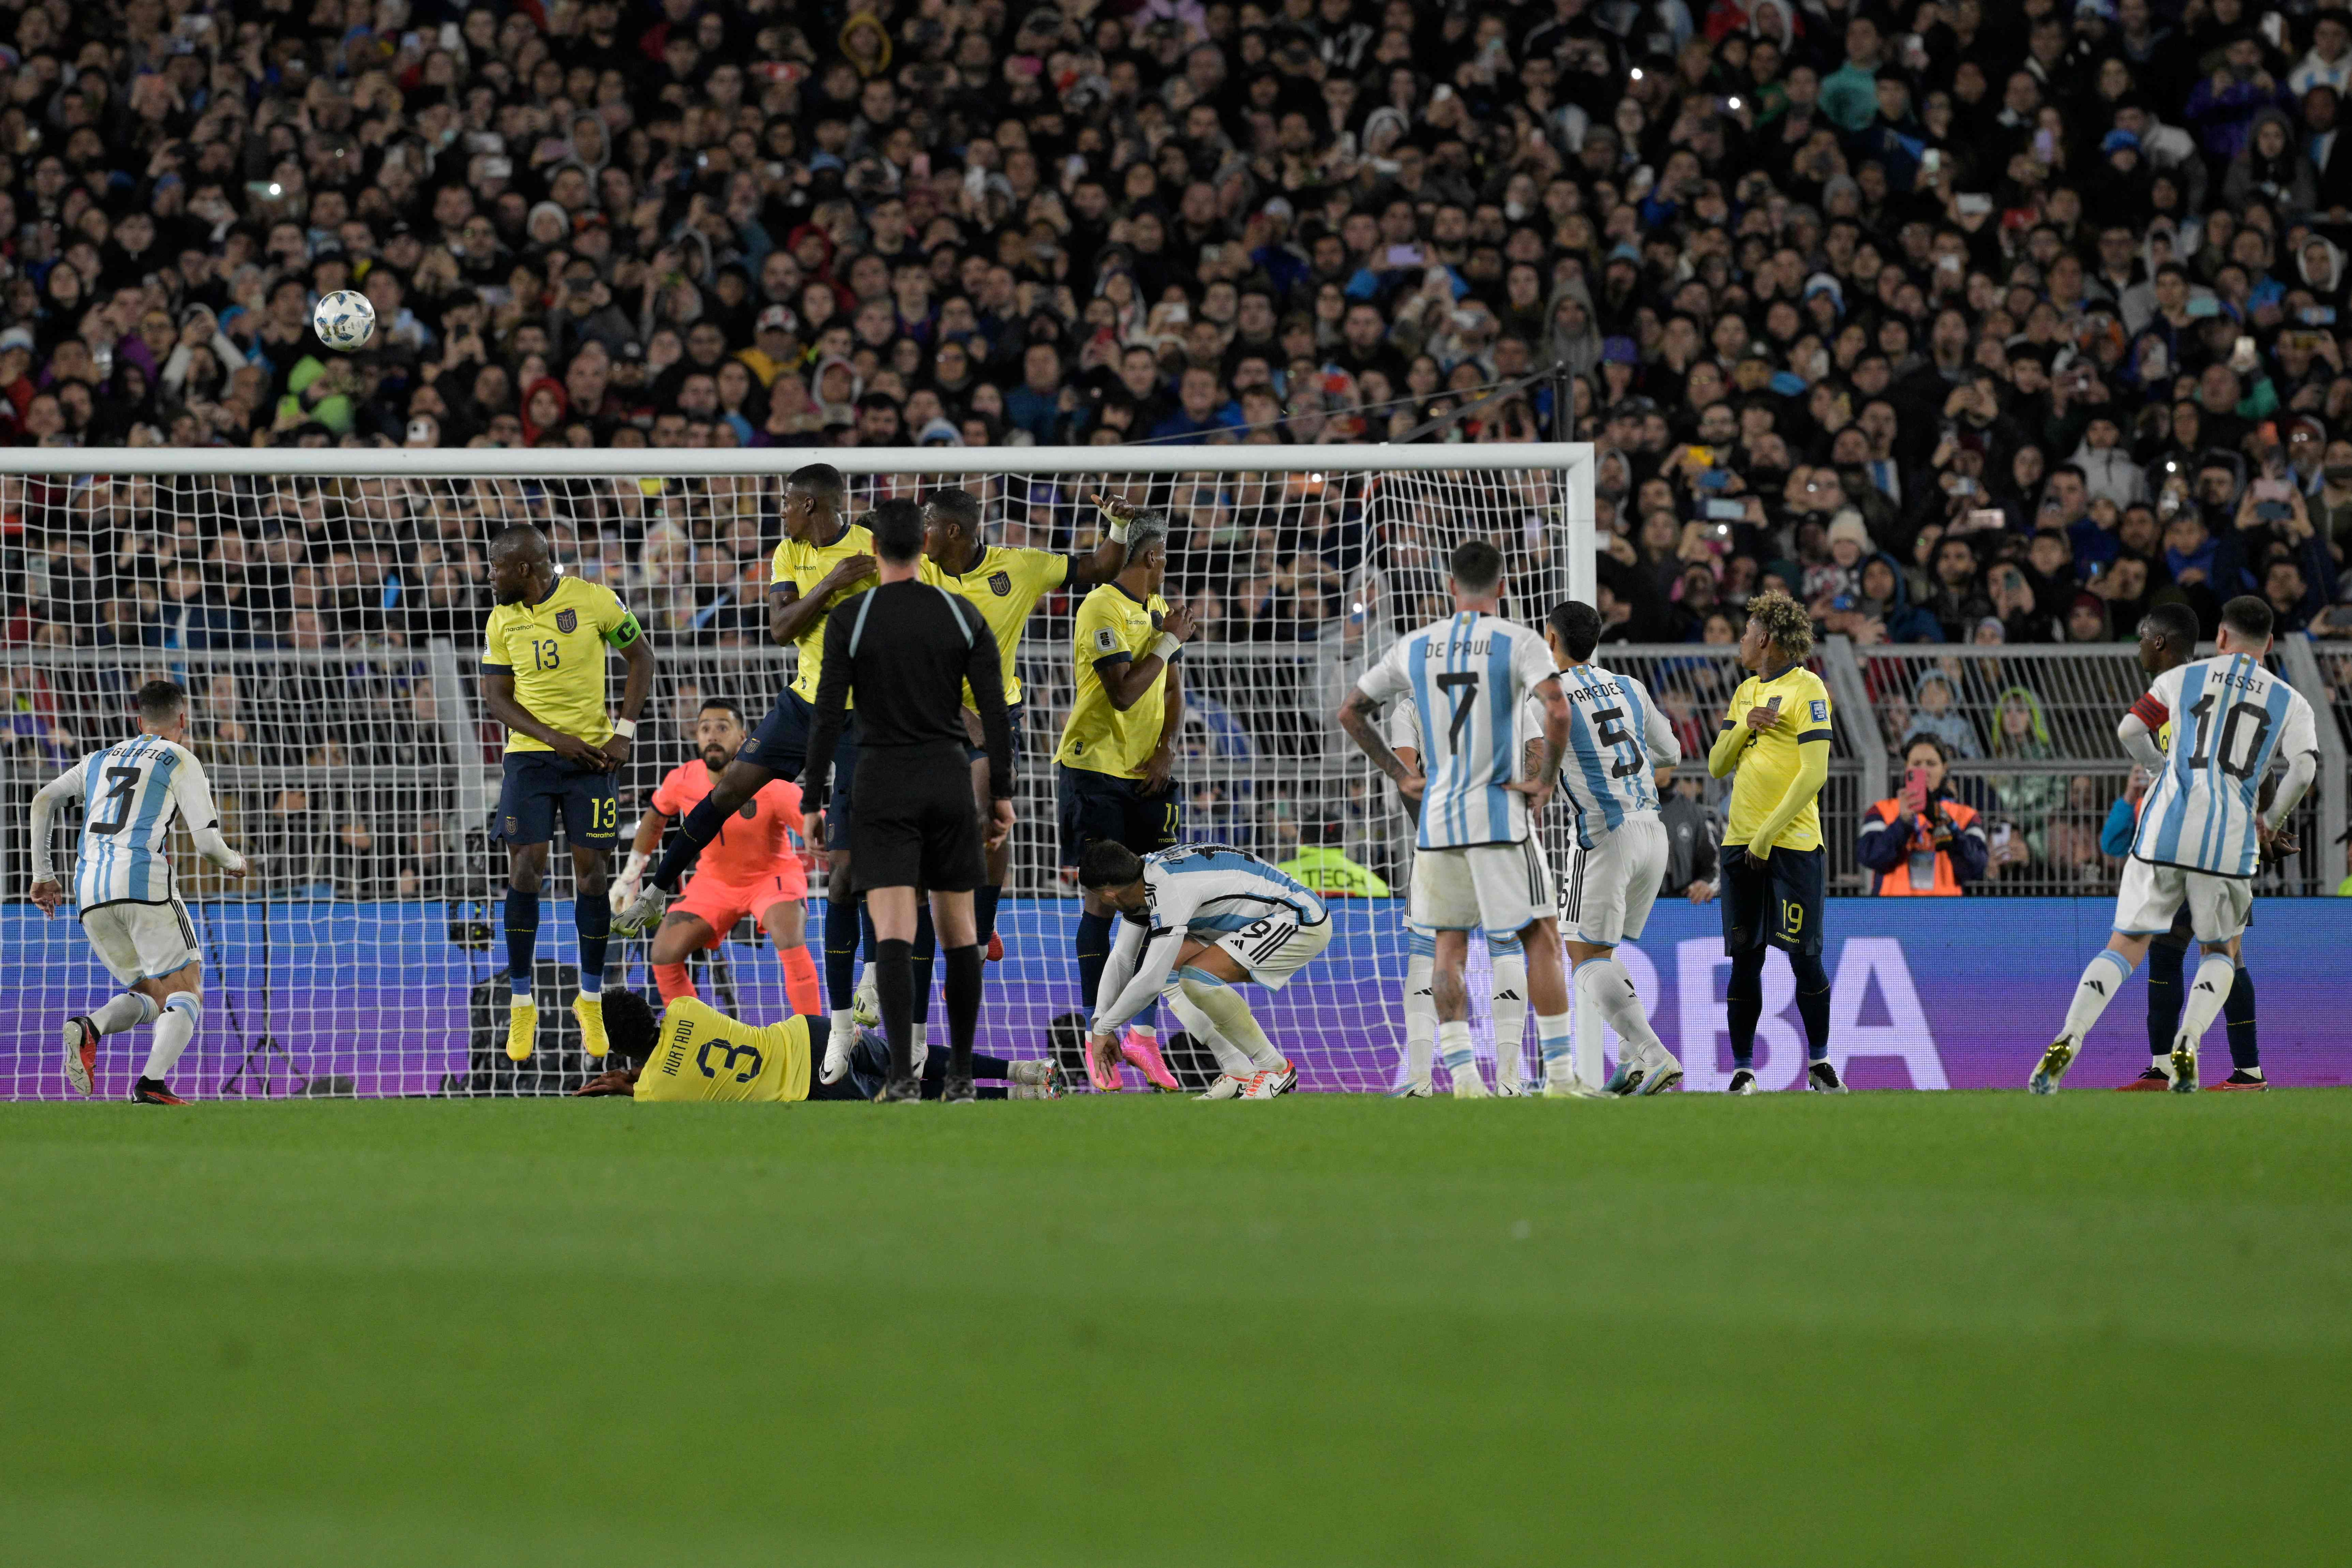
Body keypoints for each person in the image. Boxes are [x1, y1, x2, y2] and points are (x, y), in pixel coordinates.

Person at [617, 464, 876, 1075]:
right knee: (730, 787)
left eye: (787, 503)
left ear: (812, 503)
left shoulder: (870, 545)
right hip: (802, 701)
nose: (779, 512)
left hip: (858, 716)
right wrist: (834, 583)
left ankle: (838, 1017)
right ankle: (657, 890)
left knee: (846, 863)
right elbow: (782, 627)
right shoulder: (789, 550)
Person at [2033, 597, 2320, 1094]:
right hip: (2228, 836)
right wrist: (2269, 822)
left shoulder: (2180, 680)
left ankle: (2070, 1035)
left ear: (2221, 637)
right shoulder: (2290, 700)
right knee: (2221, 950)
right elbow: (2305, 767)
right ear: (2269, 644)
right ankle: (2188, 1041)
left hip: (2165, 824)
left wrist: (2158, 771)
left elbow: (2129, 728)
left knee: (2125, 943)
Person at [1337, 540, 1575, 1099]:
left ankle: (1462, 1075)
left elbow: (1348, 710)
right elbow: (1556, 710)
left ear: (1450, 587)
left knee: (1447, 946)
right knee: (1536, 936)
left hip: (1437, 822)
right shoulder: (1517, 641)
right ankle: (1557, 1077)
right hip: (1496, 814)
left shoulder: (1414, 646)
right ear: (1501, 587)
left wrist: (1399, 775)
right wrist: (1542, 780)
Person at [802, 497, 1015, 1102]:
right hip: (947, 777)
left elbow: (825, 714)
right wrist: (1000, 792)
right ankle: (961, 1078)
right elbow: (994, 712)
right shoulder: (961, 612)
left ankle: (899, 1075)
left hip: (879, 780)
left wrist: (813, 798)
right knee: (957, 929)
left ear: (872, 550)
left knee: (893, 929)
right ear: (924, 546)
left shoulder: (853, 618)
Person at [910, 484, 1130, 1041]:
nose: (920, 535)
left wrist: (1118, 528)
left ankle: (981, 934)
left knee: (990, 817)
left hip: (995, 709)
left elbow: (1102, 565)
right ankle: (905, 966)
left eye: (928, 526)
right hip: (931, 711)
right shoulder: (914, 572)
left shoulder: (1020, 567)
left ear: (954, 532)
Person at [480, 524, 655, 1063]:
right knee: (526, 868)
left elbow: (642, 659)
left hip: (592, 760)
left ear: (526, 568)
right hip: (531, 758)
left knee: (593, 874)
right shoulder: (501, 617)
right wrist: (554, 738)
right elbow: (494, 695)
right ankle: (522, 1001)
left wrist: (622, 734)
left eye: (497, 567)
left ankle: (591, 998)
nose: (490, 577)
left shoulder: (594, 599)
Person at [27, 679, 249, 1104]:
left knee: (152, 993)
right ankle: (152, 1085)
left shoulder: (98, 759)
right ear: (183, 719)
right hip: (143, 882)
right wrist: (236, 862)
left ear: (138, 720)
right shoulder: (179, 758)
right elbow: (207, 844)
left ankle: (90, 1027)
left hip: (89, 892)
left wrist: (43, 875)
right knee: (186, 988)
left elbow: (43, 800)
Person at [1053, 509, 1196, 1093]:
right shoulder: (1100, 607)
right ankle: (1098, 1038)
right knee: (1102, 904)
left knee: (1154, 905)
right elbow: (1121, 691)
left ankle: (1139, 1034)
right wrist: (1168, 639)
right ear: (1152, 556)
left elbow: (1169, 687)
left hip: (1145, 777)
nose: (1167, 566)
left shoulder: (1159, 613)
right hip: (1093, 771)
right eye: (1165, 556)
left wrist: (1165, 749)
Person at [1529, 601, 1686, 1097]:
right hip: (1651, 830)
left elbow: (1536, 768)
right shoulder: (1630, 686)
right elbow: (1671, 754)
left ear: (1549, 637)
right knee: (1604, 949)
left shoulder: (1546, 698)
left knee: (1579, 953)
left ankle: (1654, 1053)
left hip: (1604, 835)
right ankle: (1632, 1064)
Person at [1708, 591, 1845, 1094]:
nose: (1740, 640)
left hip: (1791, 845)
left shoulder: (1808, 689)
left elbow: (1814, 774)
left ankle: (1820, 1063)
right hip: (1739, 841)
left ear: (1764, 639)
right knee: (1745, 957)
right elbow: (1716, 764)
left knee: (1803, 956)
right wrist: (1743, 728)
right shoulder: (1745, 693)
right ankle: (1743, 1068)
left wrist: (1766, 836)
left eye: (1745, 633)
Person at [1375, 688, 1540, 1096]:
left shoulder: (1411, 706)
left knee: (1424, 953)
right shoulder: (1503, 692)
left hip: (1442, 840)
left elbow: (1406, 775)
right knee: (1505, 948)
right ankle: (1509, 1080)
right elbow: (1535, 747)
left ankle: (1419, 1079)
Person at [613, 699, 821, 1018]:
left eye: (723, 728)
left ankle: (813, 1036)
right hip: (713, 882)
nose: (712, 735)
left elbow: (814, 823)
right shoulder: (682, 778)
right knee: (664, 952)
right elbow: (655, 819)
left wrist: (828, 841)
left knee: (789, 937)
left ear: (743, 737)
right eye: (705, 729)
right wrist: (631, 872)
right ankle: (691, 1032)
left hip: (771, 877)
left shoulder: (770, 783)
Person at [1076, 840, 1327, 1099]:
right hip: (1255, 917)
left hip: (1298, 918)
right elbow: (1122, 957)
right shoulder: (1142, 878)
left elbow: (1150, 980)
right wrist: (1099, 1022)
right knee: (1174, 971)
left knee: (1196, 978)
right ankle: (1237, 1069)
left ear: (1108, 895)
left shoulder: (1169, 889)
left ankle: (1275, 1068)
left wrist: (1103, 1029)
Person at [569, 990, 1061, 1102]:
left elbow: (677, 1076)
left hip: (811, 1086)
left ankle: (1021, 1097)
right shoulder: (682, 1007)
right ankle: (1023, 1069)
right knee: (912, 1056)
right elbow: (687, 1050)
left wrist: (628, 1085)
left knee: (911, 1093)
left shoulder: (654, 1091)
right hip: (810, 1033)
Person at [1857, 735, 1989, 895]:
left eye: (1931, 764)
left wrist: (1946, 825)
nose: (1924, 771)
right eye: (1917, 764)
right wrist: (1903, 823)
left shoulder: (1965, 815)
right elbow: (1869, 858)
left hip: (1945, 913)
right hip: (1891, 913)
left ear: (1944, 768)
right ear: (1907, 767)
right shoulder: (1882, 810)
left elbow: (1975, 867)